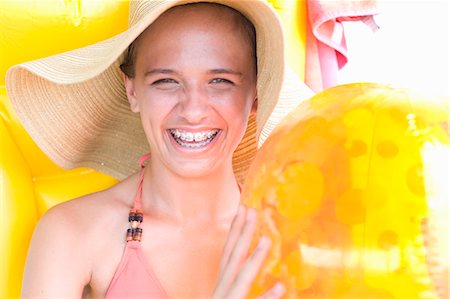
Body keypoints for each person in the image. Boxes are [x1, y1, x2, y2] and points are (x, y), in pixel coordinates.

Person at [6, 0, 312, 298]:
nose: (193, 110)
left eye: (220, 81)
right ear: (132, 90)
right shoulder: (70, 232)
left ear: (256, 93)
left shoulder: (294, 238)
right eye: (166, 81)